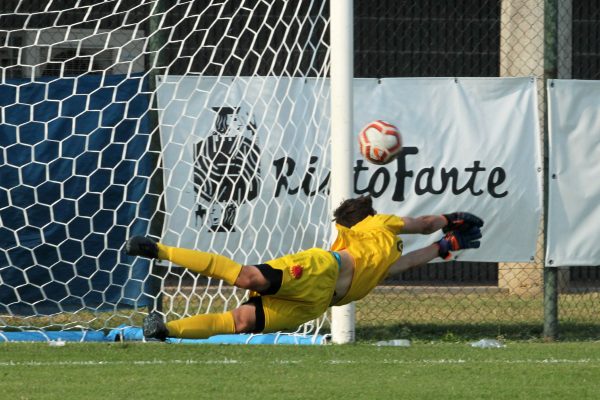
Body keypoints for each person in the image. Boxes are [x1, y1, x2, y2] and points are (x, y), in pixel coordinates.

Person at [125, 195, 483, 341]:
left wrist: (444, 246)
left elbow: (400, 265)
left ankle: (164, 329)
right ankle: (159, 250)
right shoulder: (378, 224)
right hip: (320, 270)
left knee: (243, 321)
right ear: (367, 218)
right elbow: (422, 222)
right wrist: (449, 219)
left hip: (316, 304)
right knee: (248, 277)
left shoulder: (380, 255)